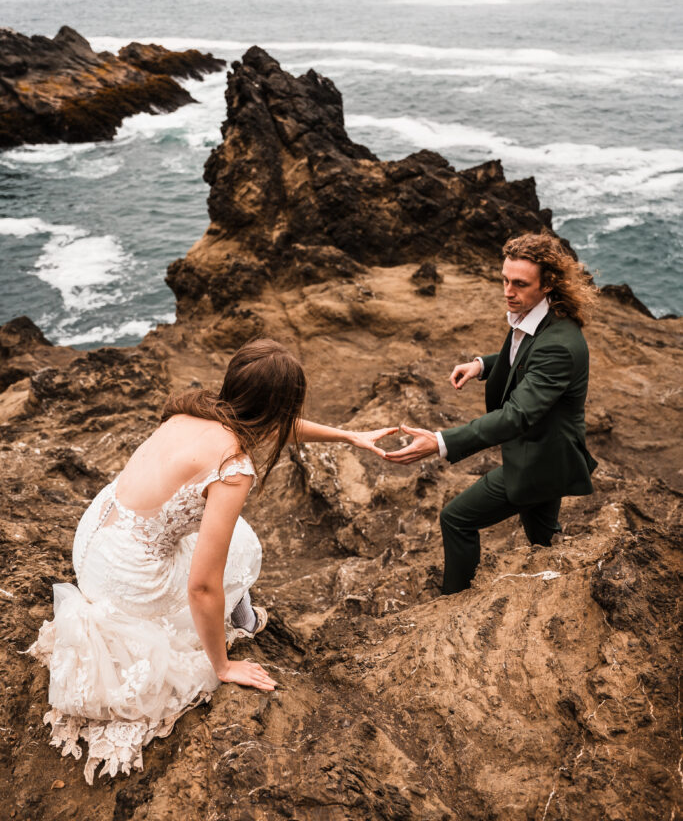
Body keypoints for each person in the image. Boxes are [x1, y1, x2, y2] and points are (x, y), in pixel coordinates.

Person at [29, 338, 395, 783]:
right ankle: (239, 622)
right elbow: (202, 585)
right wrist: (222, 666)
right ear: (279, 406)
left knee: (229, 537)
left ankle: (230, 612)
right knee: (242, 547)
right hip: (128, 576)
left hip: (95, 537)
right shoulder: (233, 467)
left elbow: (273, 423)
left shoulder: (191, 411)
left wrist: (348, 435)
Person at [385, 232, 598, 596]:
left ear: (548, 284)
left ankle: (454, 600)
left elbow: (516, 415)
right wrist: (482, 365)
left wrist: (440, 442)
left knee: (456, 518)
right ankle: (562, 588)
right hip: (548, 456)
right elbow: (524, 359)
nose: (508, 291)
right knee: (543, 537)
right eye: (504, 280)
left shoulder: (559, 344)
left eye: (519, 283)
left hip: (540, 461)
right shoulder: (537, 316)